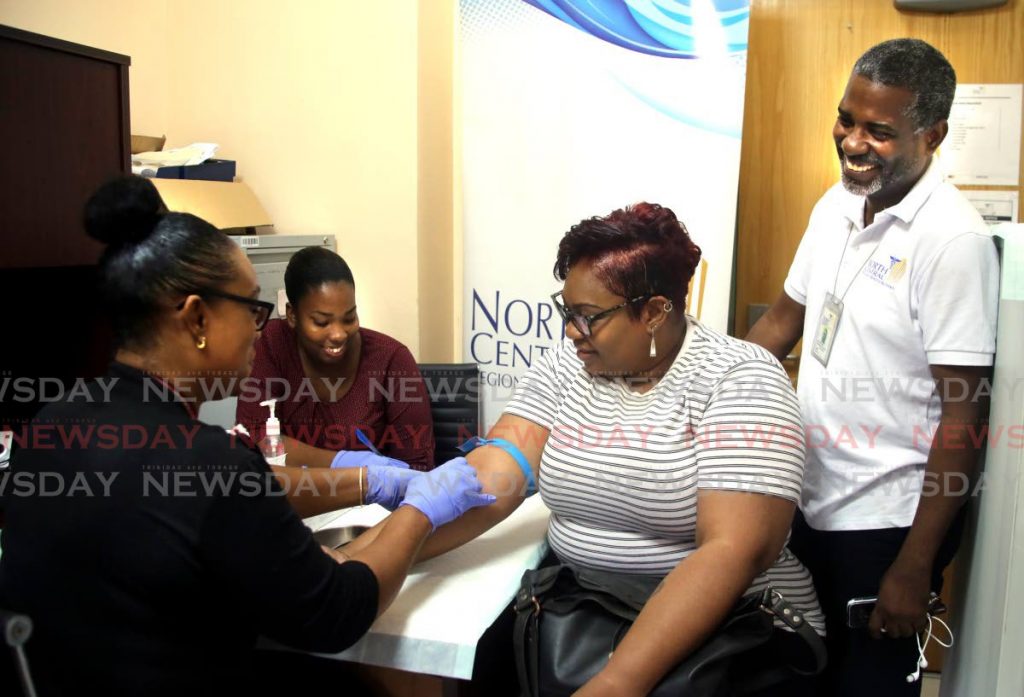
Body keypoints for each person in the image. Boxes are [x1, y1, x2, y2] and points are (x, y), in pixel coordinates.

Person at [0, 175, 493, 696]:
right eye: (253, 309)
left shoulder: (51, 424)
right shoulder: (209, 462)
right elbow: (337, 612)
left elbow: (213, 507)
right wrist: (420, 511)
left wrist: (367, 481)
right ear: (196, 318)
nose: (262, 332)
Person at [348, 202, 825, 696]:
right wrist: (366, 554)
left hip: (732, 637)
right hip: (591, 618)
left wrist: (618, 681)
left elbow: (731, 552)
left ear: (656, 311)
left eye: (589, 317)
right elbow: (494, 473)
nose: (571, 331)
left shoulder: (741, 379)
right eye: (567, 312)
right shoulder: (566, 366)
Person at [745, 38, 999, 697]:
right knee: (793, 675)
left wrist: (917, 567)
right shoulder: (836, 205)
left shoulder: (954, 241)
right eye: (846, 119)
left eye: (879, 131)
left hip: (888, 528)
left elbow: (964, 416)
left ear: (933, 133)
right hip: (809, 503)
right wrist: (701, 391)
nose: (853, 141)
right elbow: (780, 323)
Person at [236, 246, 436, 471]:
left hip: (372, 503)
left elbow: (418, 465)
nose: (339, 334)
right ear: (292, 315)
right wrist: (347, 463)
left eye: (349, 318)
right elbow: (254, 437)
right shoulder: (271, 344)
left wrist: (380, 481)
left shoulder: (390, 359)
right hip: (294, 500)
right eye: (322, 322)